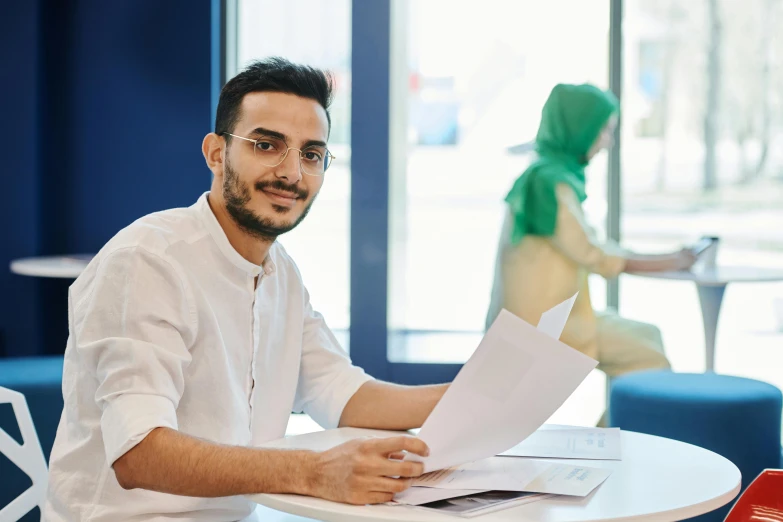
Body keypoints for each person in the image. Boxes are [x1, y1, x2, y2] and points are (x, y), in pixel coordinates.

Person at [43, 58, 447, 522]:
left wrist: (482, 397)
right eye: (266, 145)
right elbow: (140, 452)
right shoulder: (146, 261)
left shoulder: (282, 273)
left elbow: (343, 392)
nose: (292, 173)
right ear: (216, 153)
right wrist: (314, 472)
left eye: (311, 154)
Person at [486, 84, 697, 423]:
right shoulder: (550, 181)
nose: (607, 141)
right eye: (604, 130)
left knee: (647, 340)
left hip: (552, 318)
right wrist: (669, 261)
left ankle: (607, 442)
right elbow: (591, 253)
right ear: (579, 128)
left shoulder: (547, 174)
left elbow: (590, 245)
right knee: (648, 354)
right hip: (544, 327)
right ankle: (610, 445)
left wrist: (667, 259)